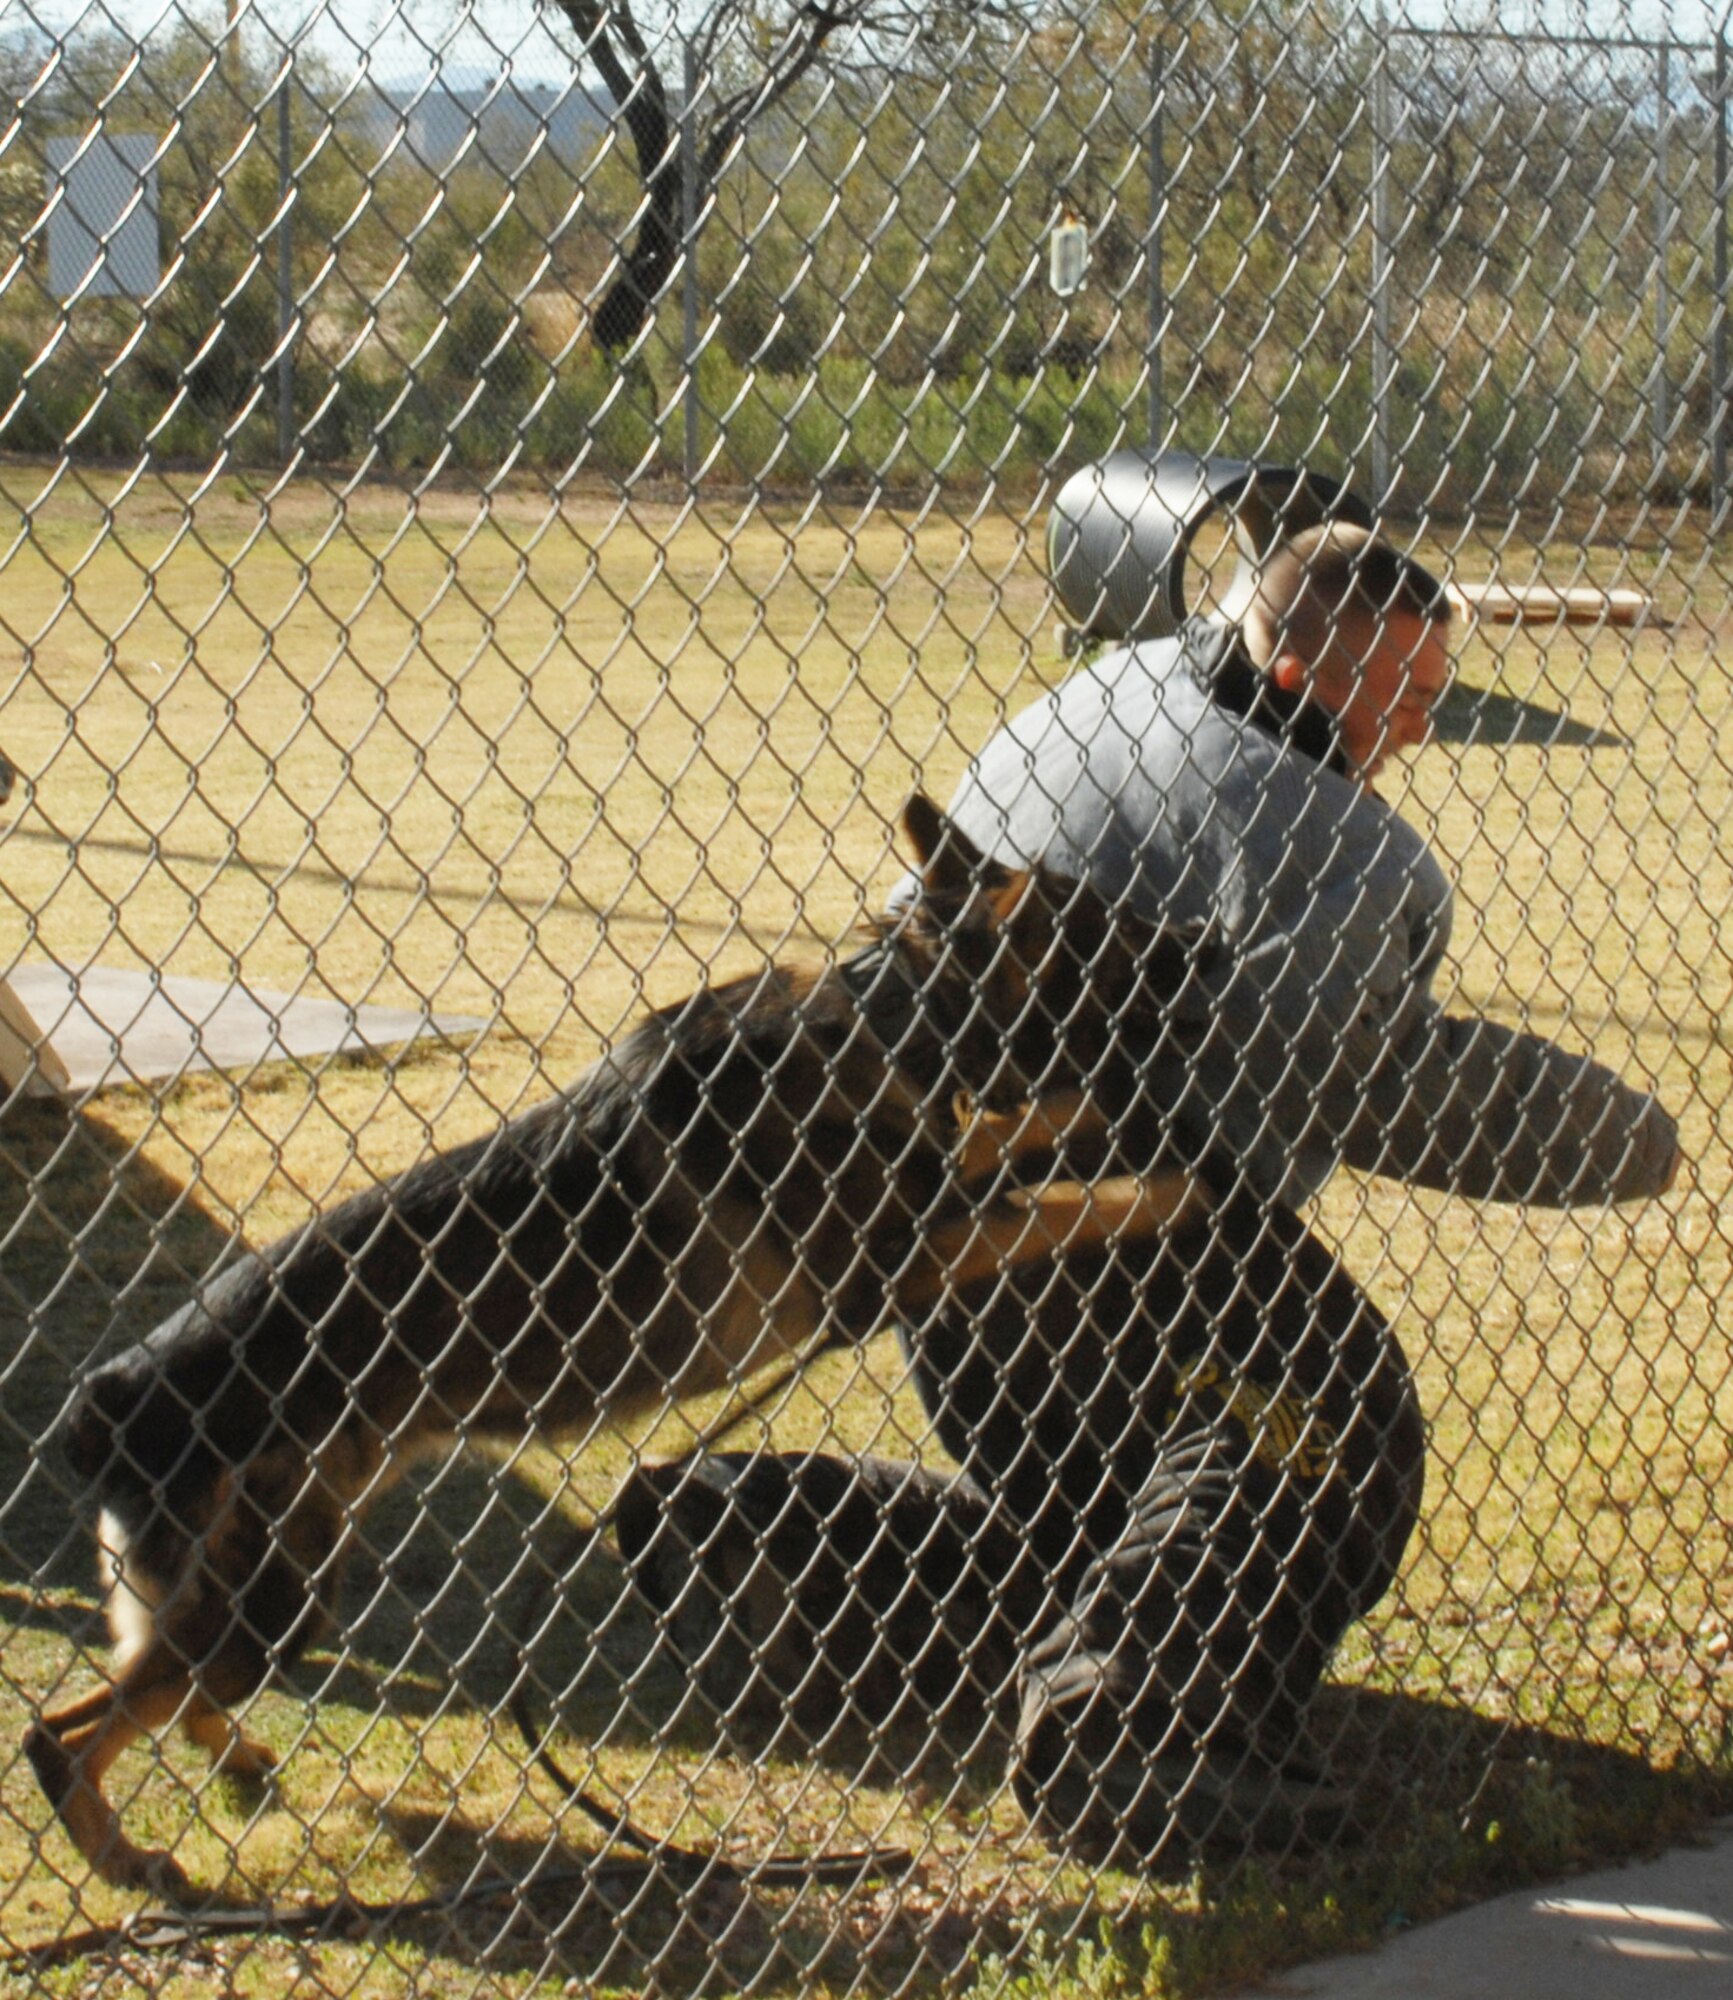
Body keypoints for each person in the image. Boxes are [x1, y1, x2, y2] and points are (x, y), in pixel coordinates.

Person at [616, 522, 1681, 1871]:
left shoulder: (1097, 694)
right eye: (1403, 694)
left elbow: (915, 917)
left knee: (1105, 1532)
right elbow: (1331, 1084)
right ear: (1293, 673)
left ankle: (782, 1546)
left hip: (941, 1228)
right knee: (1332, 1421)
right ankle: (1134, 1733)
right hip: (1127, 1221)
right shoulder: (1355, 856)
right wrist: (1620, 1138)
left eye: (1435, 687)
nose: (1426, 722)